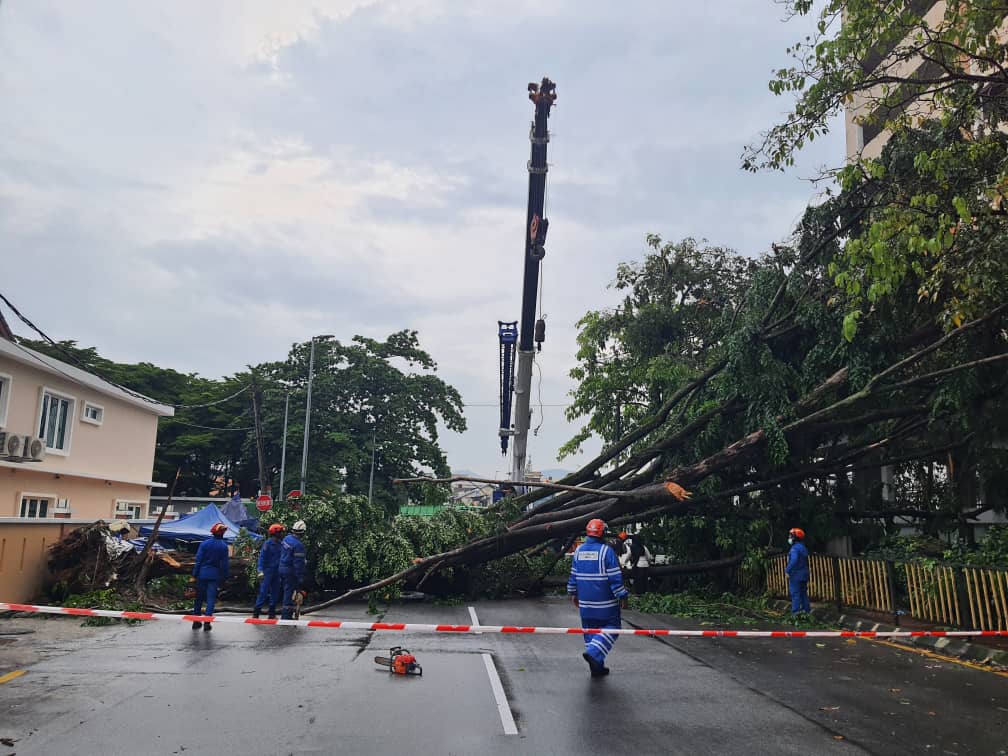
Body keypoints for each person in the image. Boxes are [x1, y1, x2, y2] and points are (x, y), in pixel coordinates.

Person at [567, 518, 629, 677]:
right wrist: (622, 596)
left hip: (585, 604)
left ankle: (597, 667)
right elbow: (615, 578)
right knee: (612, 628)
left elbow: (573, 576)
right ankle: (594, 654)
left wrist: (573, 593)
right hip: (605, 604)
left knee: (590, 632)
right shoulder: (606, 552)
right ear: (602, 534)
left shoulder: (579, 551)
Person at [192, 522, 230, 631]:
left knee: (198, 598)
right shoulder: (223, 546)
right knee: (211, 599)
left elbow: (198, 560)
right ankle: (207, 623)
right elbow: (224, 565)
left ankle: (196, 621)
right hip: (214, 576)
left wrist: (194, 574)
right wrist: (225, 578)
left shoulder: (204, 544)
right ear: (221, 533)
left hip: (202, 574)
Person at [252, 523, 285, 619]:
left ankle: (272, 613)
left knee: (275, 592)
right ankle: (256, 613)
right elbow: (262, 557)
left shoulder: (281, 544)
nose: (282, 534)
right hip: (267, 572)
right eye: (280, 532)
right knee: (263, 592)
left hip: (277, 572)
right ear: (275, 533)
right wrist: (260, 570)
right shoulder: (267, 544)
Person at [279, 520, 308, 620]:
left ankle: (286, 613)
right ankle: (286, 616)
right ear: (303, 533)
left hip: (281, 568)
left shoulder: (286, 539)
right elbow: (298, 564)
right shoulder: (298, 546)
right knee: (289, 593)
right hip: (290, 572)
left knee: (286, 592)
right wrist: (300, 578)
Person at [785, 527, 811, 614]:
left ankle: (795, 614)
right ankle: (806, 613)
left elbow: (794, 560)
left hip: (796, 575)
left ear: (796, 537)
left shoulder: (795, 548)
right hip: (804, 574)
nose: (789, 538)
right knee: (804, 594)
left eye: (791, 536)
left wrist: (787, 570)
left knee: (795, 594)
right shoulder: (803, 547)